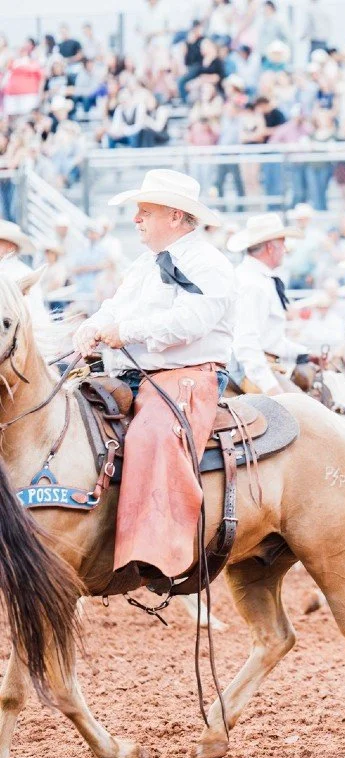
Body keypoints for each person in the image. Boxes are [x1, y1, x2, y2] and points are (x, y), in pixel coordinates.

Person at [72, 169, 235, 582]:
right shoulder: (145, 264)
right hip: (139, 372)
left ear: (176, 216)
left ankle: (158, 551)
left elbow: (193, 320)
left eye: (146, 211)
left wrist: (127, 331)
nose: (136, 219)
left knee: (154, 435)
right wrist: (90, 327)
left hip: (186, 372)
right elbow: (114, 307)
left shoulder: (209, 263)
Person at [227, 213, 308, 394]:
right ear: (271, 247)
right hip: (251, 372)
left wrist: (303, 353)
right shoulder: (253, 284)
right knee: (307, 414)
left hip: (257, 367)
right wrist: (271, 387)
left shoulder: (254, 278)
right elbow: (246, 343)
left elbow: (269, 339)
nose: (285, 250)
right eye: (283, 244)